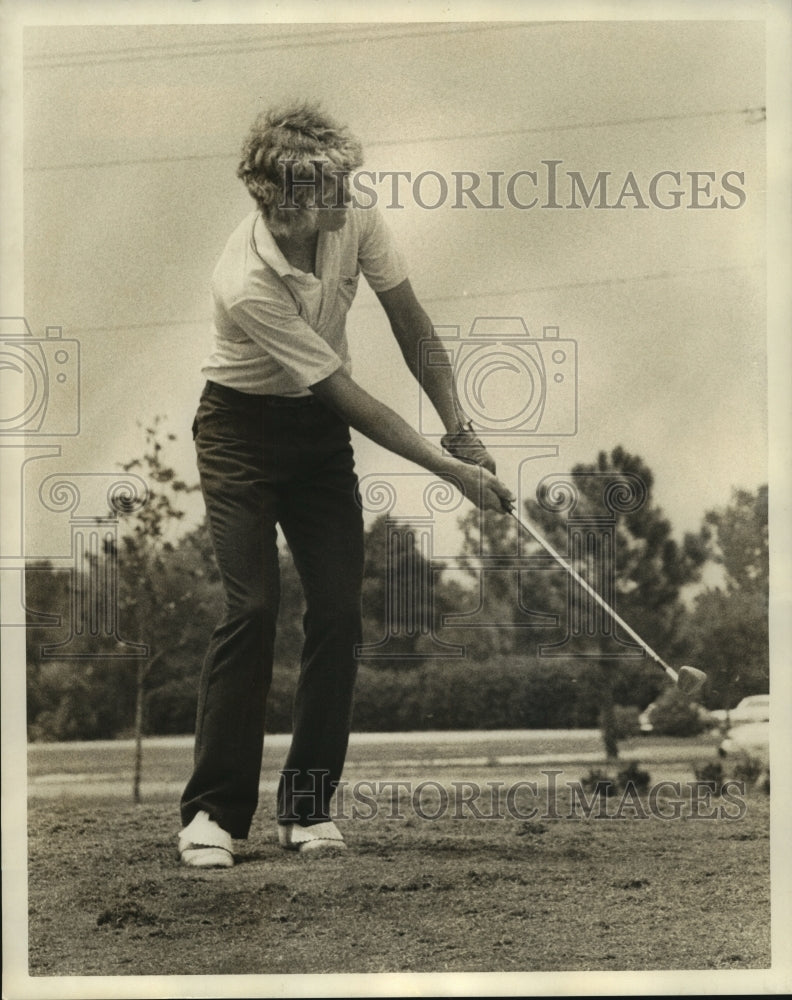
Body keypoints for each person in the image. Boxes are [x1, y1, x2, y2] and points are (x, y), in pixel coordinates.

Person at [178, 103, 514, 868]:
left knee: (336, 610)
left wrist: (458, 420)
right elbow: (348, 397)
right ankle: (212, 816)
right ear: (284, 201)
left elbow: (410, 320)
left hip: (316, 442)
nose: (349, 195)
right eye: (331, 186)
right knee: (253, 606)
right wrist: (453, 471)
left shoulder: (353, 218)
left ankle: (306, 809)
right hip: (240, 432)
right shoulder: (245, 281)